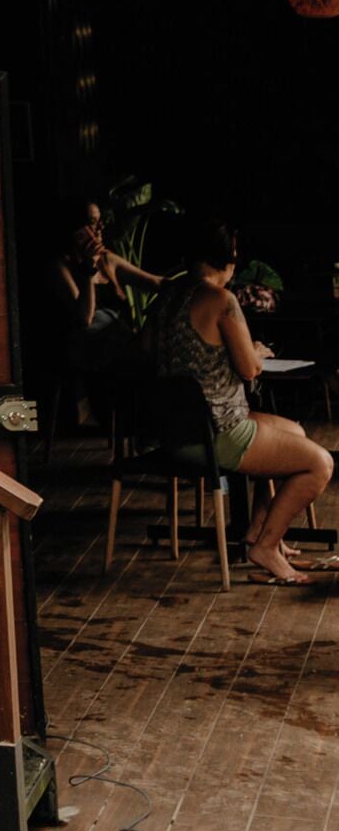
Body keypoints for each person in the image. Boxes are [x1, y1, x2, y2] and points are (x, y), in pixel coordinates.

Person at [146, 217, 333, 584]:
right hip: (218, 432)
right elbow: (248, 370)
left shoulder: (166, 295)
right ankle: (265, 547)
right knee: (320, 464)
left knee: (293, 432)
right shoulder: (221, 299)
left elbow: (144, 351)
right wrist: (256, 352)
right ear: (230, 256)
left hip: (174, 431)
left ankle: (258, 532)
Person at [54, 197, 162, 337]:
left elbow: (155, 282)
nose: (100, 227)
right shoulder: (61, 267)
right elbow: (85, 319)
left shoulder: (106, 259)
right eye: (93, 222)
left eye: (100, 221)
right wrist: (89, 268)